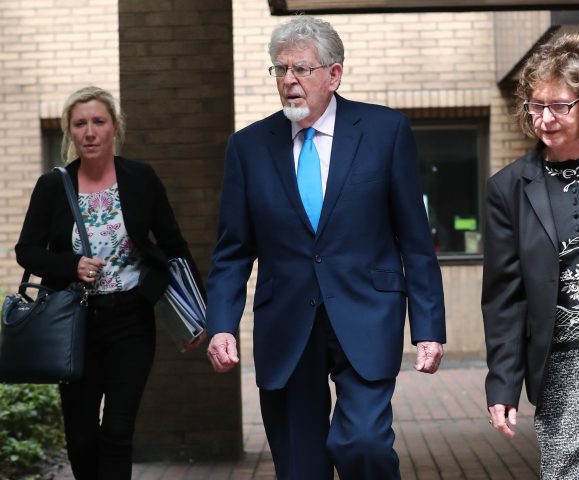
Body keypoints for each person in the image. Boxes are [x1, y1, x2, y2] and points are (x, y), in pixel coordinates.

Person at [205, 15, 446, 480]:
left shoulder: (384, 131)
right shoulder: (249, 147)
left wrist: (428, 327)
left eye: (302, 69)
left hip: (366, 312)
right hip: (287, 323)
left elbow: (415, 241)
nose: (289, 81)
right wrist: (221, 325)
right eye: (280, 70)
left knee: (363, 444)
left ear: (334, 74)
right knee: (300, 467)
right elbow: (233, 251)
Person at [15, 86, 205, 479]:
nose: (90, 132)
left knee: (117, 432)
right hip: (75, 324)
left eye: (98, 122)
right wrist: (71, 265)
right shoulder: (53, 186)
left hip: (131, 322)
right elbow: (27, 250)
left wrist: (202, 313)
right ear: (69, 131)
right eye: (80, 124)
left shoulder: (140, 179)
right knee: (82, 438)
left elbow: (173, 246)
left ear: (114, 127)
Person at [482, 32, 579, 478]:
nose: (545, 118)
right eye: (536, 106)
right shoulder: (508, 189)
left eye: (559, 106)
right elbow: (504, 298)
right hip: (560, 373)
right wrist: (503, 386)